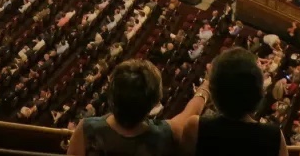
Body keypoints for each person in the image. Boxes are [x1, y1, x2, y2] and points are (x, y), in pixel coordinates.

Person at [67, 59, 206, 155]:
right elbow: (190, 113)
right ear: (154, 101)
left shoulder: (87, 130)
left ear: (112, 95)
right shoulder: (165, 134)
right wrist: (205, 87)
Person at [178, 48, 286, 155]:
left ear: (215, 92)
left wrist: (203, 91)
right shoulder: (274, 136)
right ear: (258, 92)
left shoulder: (195, 127)